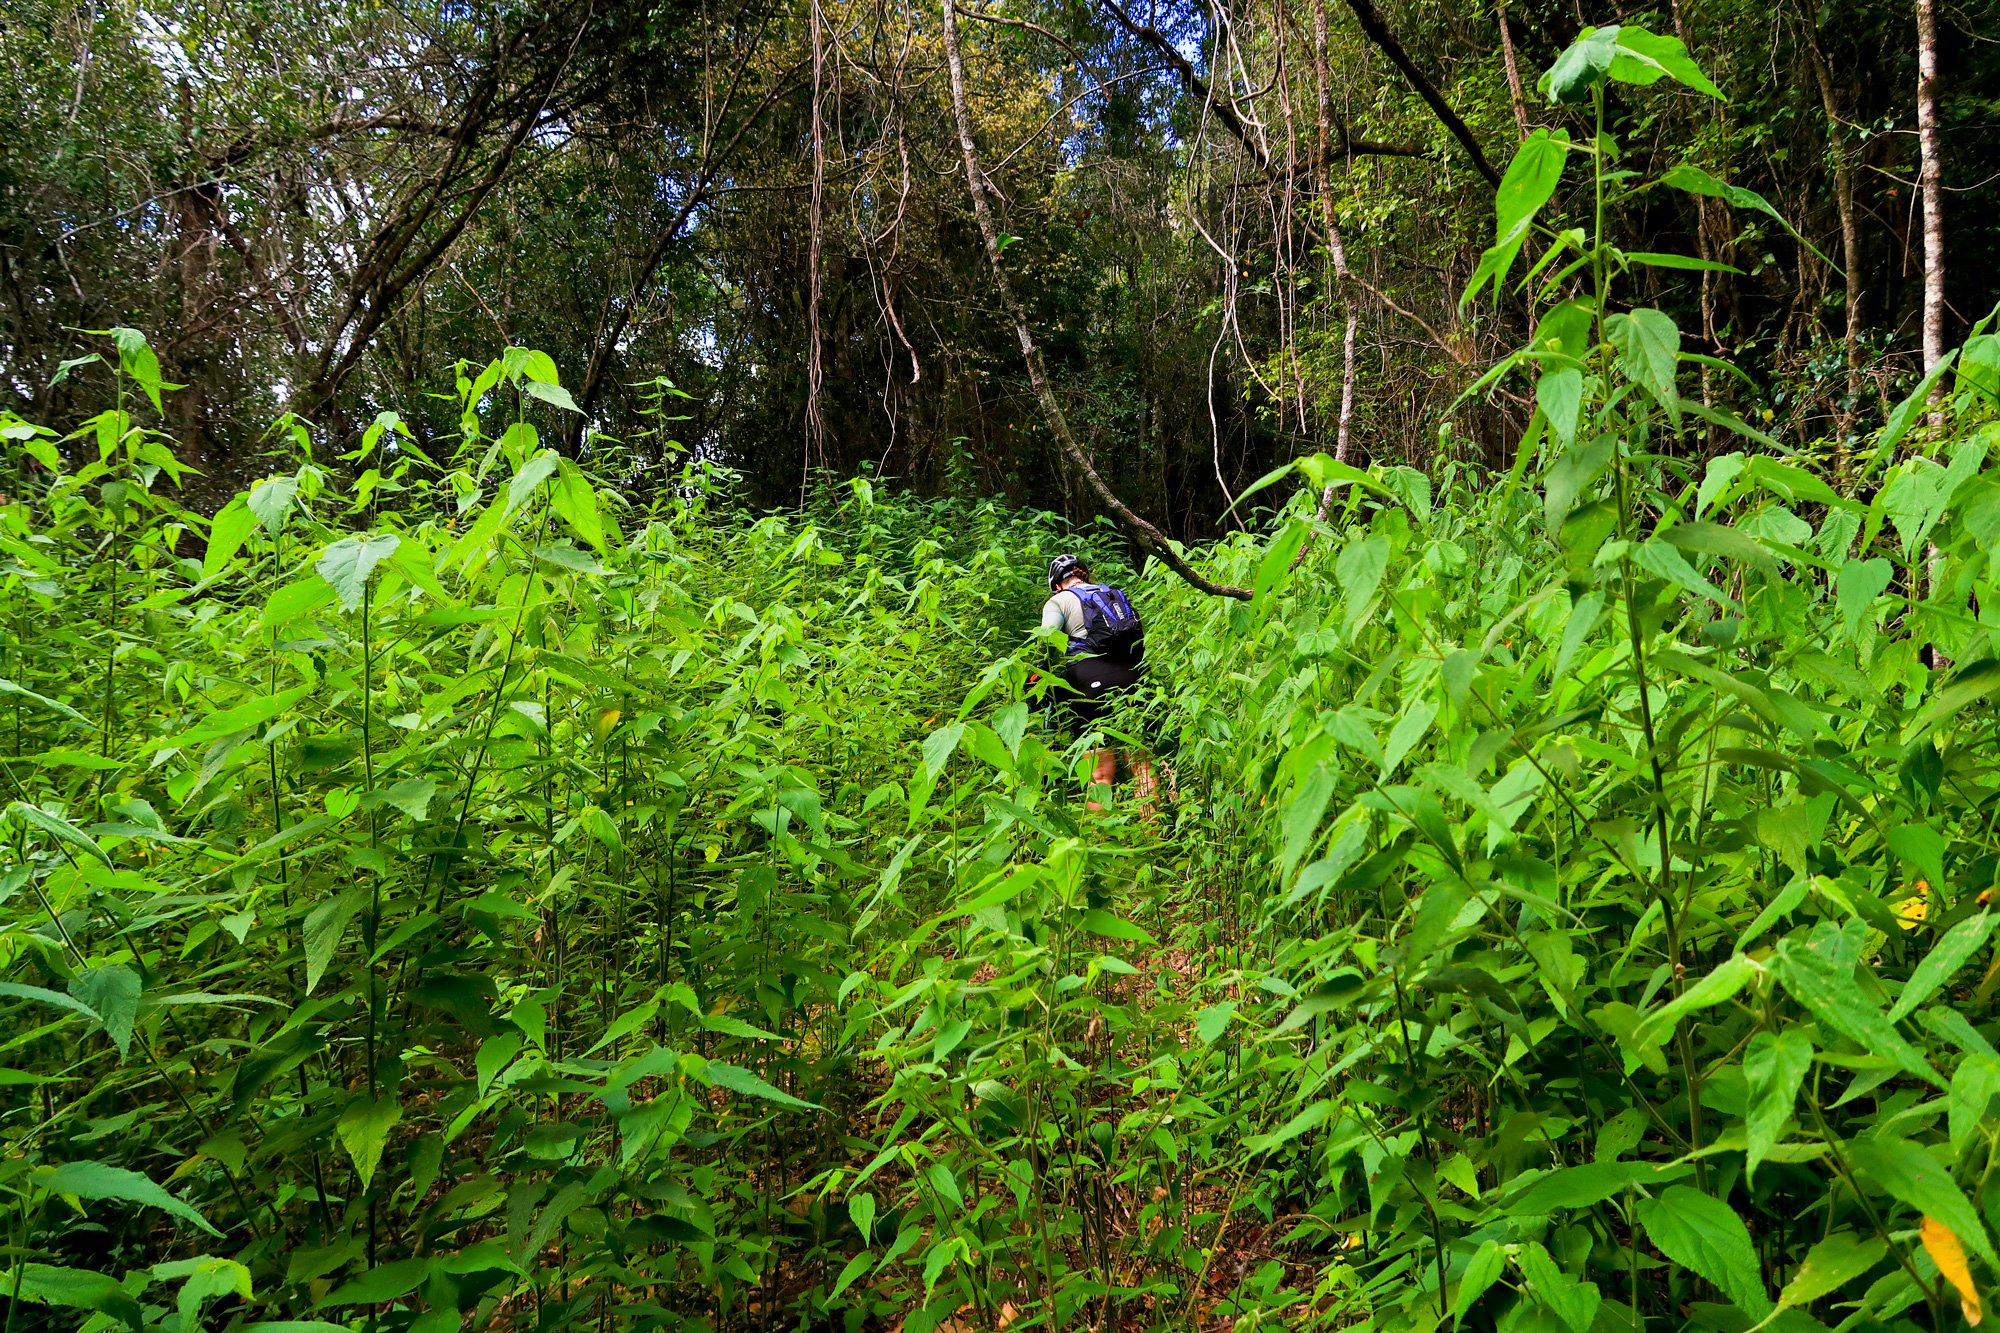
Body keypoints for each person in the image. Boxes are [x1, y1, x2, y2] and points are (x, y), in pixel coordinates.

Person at [1037, 553, 1157, 812]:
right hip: (1133, 677)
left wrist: (1037, 674)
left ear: (1057, 584)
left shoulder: (1058, 600)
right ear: (1084, 575)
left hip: (1089, 680)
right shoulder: (1113, 595)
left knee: (1100, 774)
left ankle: (1101, 835)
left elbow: (1046, 641)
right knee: (1142, 766)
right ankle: (1154, 832)